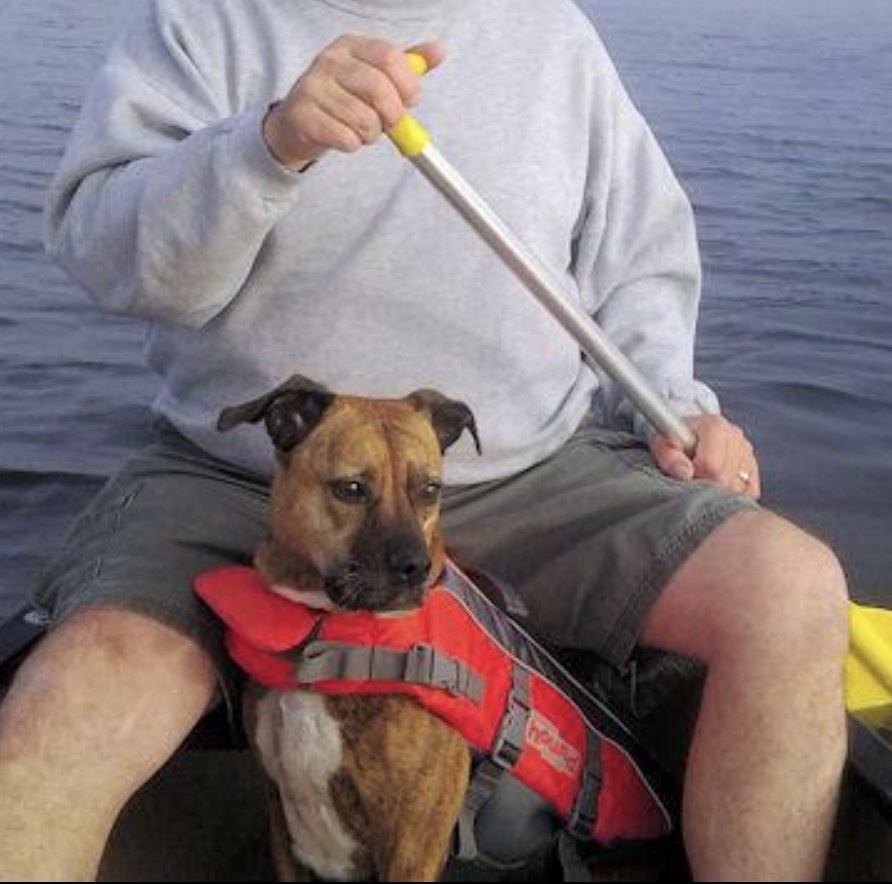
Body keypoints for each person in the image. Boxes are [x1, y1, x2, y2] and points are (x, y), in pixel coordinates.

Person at [0, 0, 849, 880]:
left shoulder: (551, 33)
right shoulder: (205, 21)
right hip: (243, 474)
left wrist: (673, 405)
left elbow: (637, 257)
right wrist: (266, 146)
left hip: (537, 468)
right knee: (77, 701)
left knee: (790, 591)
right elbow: (105, 256)